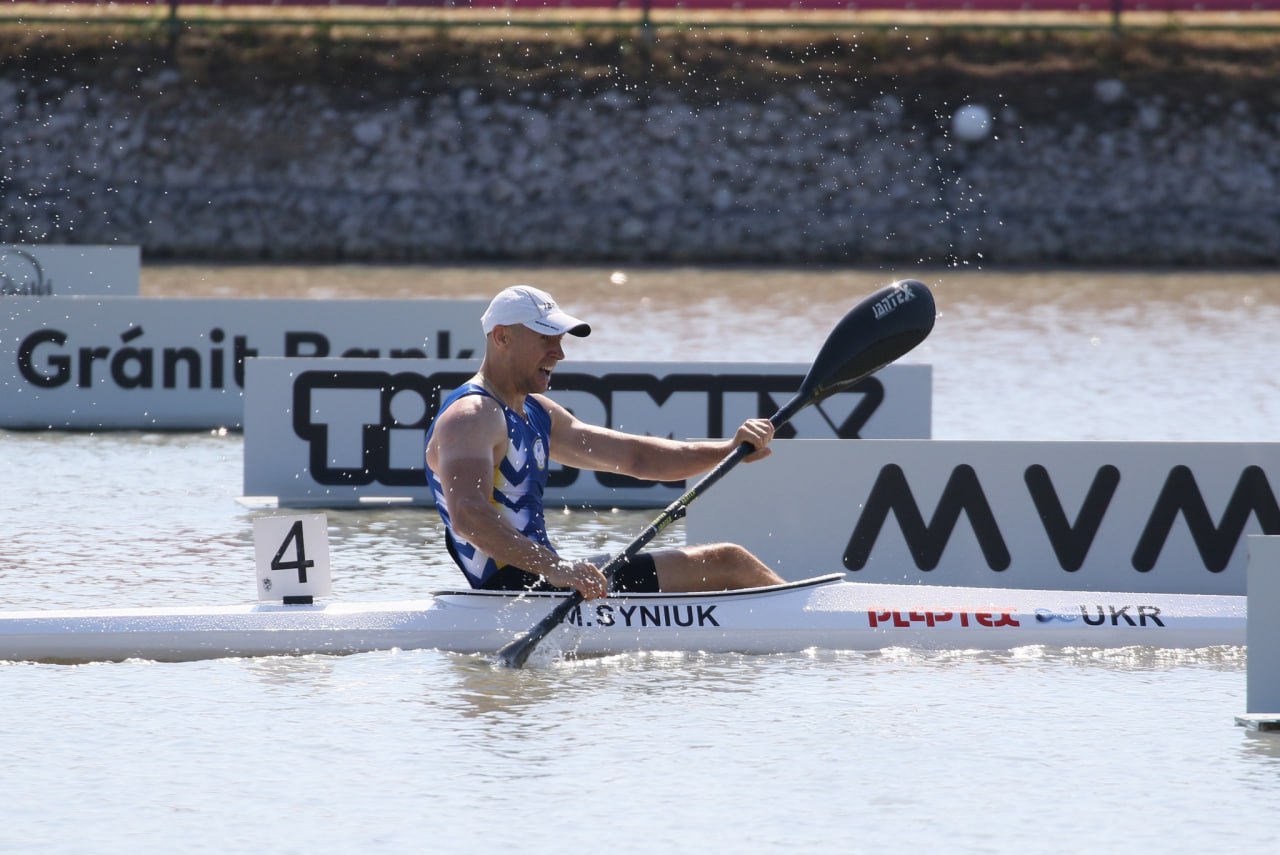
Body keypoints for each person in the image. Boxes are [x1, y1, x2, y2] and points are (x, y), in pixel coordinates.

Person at [424, 284, 785, 601]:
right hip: (517, 592)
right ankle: (820, 624)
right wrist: (556, 568)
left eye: (560, 339)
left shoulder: (535, 412)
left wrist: (725, 451)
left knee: (721, 570)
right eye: (545, 339)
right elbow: (468, 515)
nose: (559, 353)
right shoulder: (472, 415)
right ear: (502, 337)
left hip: (545, 583)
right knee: (729, 562)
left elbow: (636, 458)